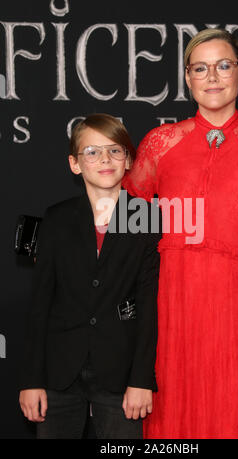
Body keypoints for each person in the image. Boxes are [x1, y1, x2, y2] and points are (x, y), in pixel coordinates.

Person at [122, 28, 238, 439]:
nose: (213, 77)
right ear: (188, 78)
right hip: (172, 306)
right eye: (201, 68)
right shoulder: (160, 143)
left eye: (224, 66)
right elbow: (127, 227)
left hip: (237, 308)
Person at [18, 113, 161, 439]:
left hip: (120, 374)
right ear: (75, 163)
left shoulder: (146, 219)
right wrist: (31, 379)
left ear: (128, 160)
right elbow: (40, 304)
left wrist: (141, 379)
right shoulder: (57, 218)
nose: (105, 159)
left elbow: (149, 304)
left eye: (114, 150)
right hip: (59, 372)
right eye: (92, 152)